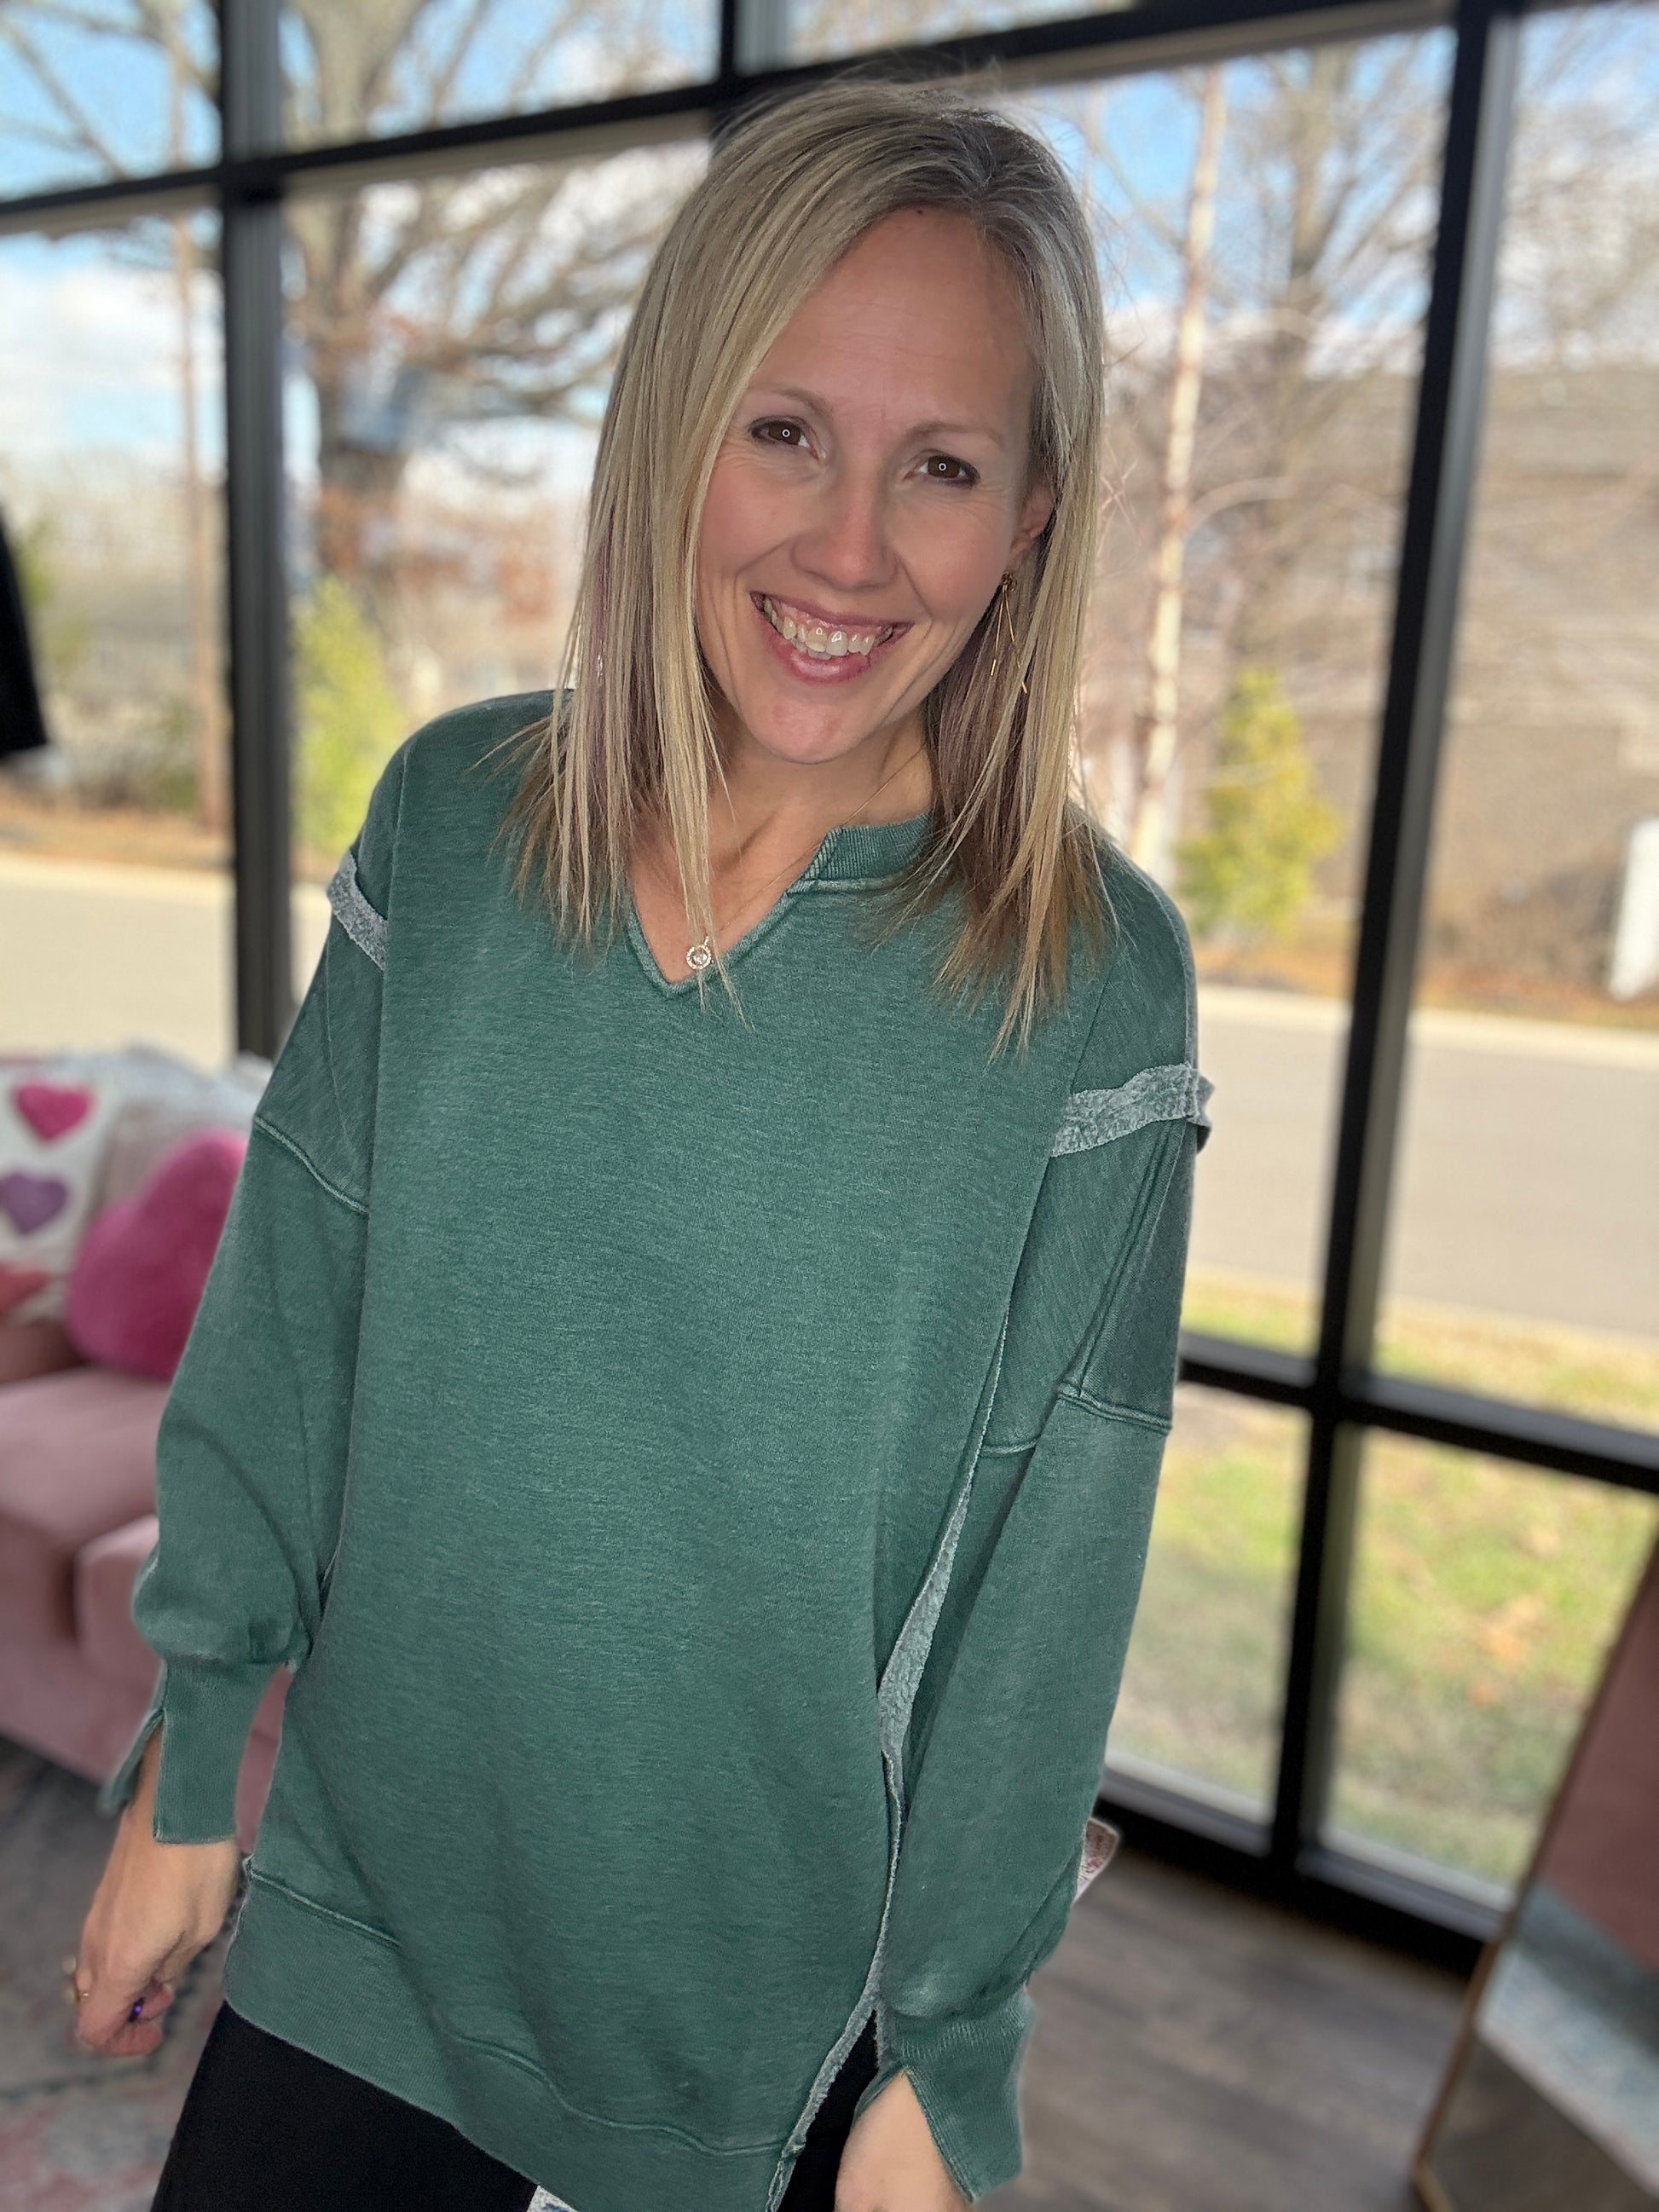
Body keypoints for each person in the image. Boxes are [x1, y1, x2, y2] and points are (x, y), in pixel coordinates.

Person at [70, 73, 1211, 2212]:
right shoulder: (455, 828)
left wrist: (946, 2048)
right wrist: (192, 1753)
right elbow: (293, 1310)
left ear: (1030, 513)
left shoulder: (1087, 988)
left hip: (751, 2052)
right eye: (783, 429)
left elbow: (1048, 1574)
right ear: (673, 425)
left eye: (940, 464)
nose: (847, 547)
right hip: (357, 1929)